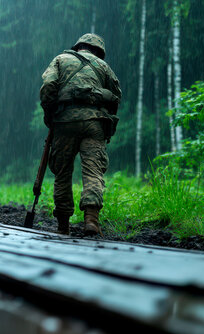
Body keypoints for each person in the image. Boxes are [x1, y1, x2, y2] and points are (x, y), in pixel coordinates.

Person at [39, 33, 122, 236]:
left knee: (62, 172)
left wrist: (50, 114)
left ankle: (63, 225)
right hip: (94, 124)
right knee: (93, 171)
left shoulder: (60, 59)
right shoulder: (103, 66)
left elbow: (48, 86)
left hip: (65, 122)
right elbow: (115, 97)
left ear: (78, 47)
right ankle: (91, 221)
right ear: (98, 51)